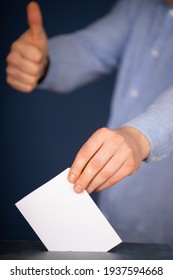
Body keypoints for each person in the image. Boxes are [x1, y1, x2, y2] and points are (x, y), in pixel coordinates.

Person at [6, 0, 173, 247]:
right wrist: (42, 63)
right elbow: (91, 48)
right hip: (119, 217)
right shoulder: (139, 6)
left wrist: (140, 136)